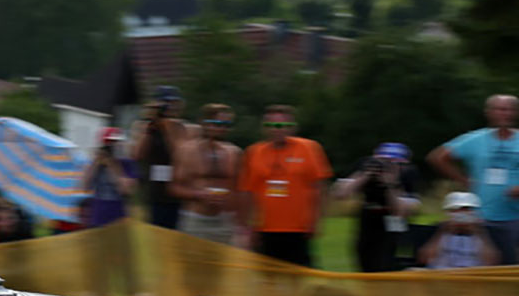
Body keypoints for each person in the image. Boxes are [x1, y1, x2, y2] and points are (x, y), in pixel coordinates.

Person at [427, 93, 519, 264]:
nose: (504, 114)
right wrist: (462, 179)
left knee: (510, 266)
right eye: (499, 109)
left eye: (509, 110)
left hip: (514, 217)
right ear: (488, 112)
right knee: (484, 266)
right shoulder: (475, 139)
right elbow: (437, 157)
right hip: (480, 217)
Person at [236, 105, 332, 266]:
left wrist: (316, 221)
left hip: (299, 228)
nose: (277, 130)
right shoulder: (253, 152)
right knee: (267, 274)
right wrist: (246, 227)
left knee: (297, 273)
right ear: (264, 128)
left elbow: (320, 187)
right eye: (271, 125)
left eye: (282, 125)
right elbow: (246, 192)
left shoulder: (309, 148)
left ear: (292, 127)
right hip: (265, 228)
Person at [333, 142, 420, 273]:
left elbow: (401, 212)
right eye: (383, 161)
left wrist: (391, 185)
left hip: (393, 220)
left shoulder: (408, 175)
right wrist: (365, 175)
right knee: (364, 257)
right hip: (369, 216)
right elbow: (340, 194)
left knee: (386, 260)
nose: (387, 166)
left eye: (394, 163)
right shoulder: (364, 167)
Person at [171, 105, 240, 247]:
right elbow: (174, 187)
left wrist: (240, 223)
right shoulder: (186, 151)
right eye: (217, 123)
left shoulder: (234, 152)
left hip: (224, 222)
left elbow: (239, 191)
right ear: (204, 123)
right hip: (196, 221)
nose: (222, 128)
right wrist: (199, 194)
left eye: (227, 125)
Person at [132, 85, 189, 230]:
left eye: (173, 103)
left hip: (177, 192)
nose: (169, 107)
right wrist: (150, 126)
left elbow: (180, 154)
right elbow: (137, 154)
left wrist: (167, 127)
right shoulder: (146, 126)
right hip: (154, 192)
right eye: (165, 103)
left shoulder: (182, 127)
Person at [420, 191, 499, 269]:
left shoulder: (484, 230)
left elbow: (491, 262)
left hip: (473, 273)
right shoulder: (438, 228)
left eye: (466, 209)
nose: (461, 213)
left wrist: (478, 232)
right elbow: (425, 259)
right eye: (456, 210)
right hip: (443, 273)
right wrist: (443, 231)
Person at [80, 127, 135, 229]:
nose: (114, 147)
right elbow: (84, 186)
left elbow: (126, 190)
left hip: (118, 217)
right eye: (110, 144)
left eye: (116, 143)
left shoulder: (126, 163)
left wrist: (112, 165)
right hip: (98, 216)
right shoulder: (97, 163)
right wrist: (95, 163)